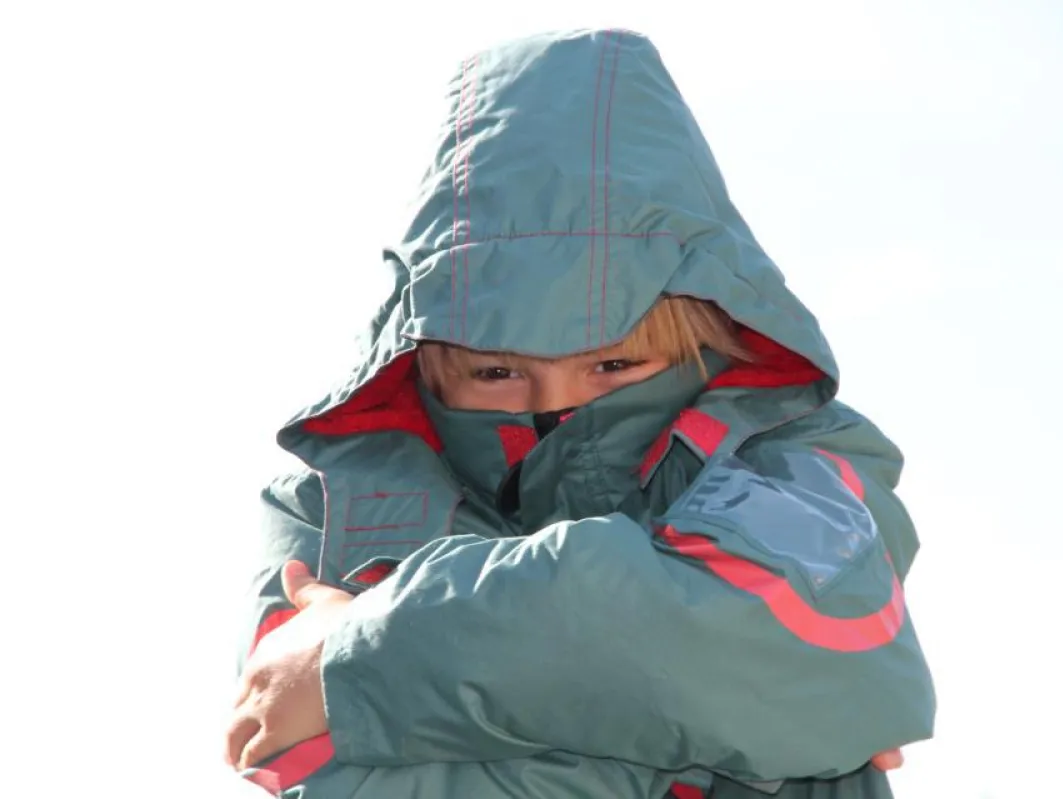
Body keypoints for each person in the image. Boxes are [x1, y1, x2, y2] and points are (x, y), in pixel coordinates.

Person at [225, 27, 936, 799]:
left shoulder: (797, 453)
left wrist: (362, 652)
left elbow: (812, 657)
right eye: (496, 369)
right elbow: (302, 760)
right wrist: (699, 718)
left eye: (614, 363)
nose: (555, 402)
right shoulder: (327, 501)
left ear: (710, 331)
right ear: (421, 354)